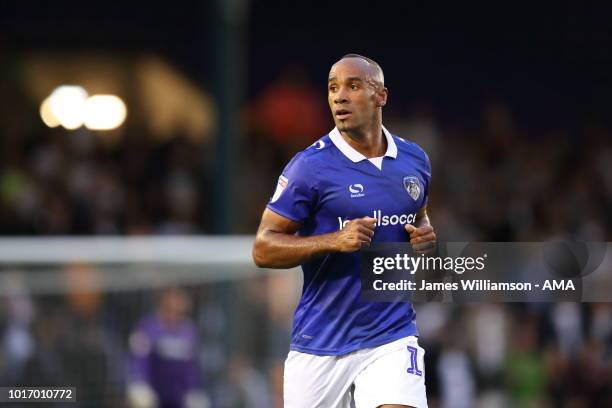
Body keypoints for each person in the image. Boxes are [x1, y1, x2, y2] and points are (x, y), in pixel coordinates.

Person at [253, 54, 437, 408]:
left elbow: (420, 215)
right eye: (333, 88)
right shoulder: (310, 166)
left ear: (380, 95)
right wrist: (334, 241)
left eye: (353, 86)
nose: (339, 96)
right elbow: (263, 248)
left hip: (392, 334)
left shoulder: (415, 160)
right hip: (321, 342)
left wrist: (425, 235)